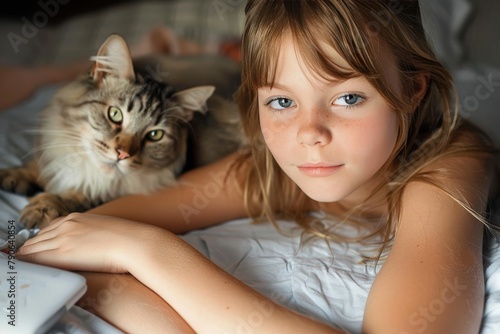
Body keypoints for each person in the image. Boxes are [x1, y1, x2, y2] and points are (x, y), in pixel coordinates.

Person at [17, 0, 499, 333]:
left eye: (349, 97)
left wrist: (149, 252)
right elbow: (91, 233)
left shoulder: (452, 166)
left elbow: (125, 236)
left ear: (412, 91)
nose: (310, 132)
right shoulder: (274, 166)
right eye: (283, 101)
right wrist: (120, 253)